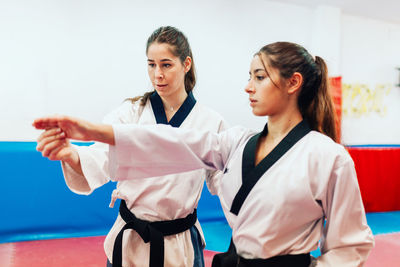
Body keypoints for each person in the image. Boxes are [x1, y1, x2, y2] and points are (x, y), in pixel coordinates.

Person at [34, 41, 374, 267]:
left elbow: (350, 245)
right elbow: (172, 143)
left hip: (188, 244)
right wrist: (91, 132)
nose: (248, 86)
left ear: (292, 83)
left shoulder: (329, 157)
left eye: (259, 76)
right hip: (175, 248)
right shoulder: (237, 142)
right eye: (151, 65)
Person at [34, 26, 227, 267]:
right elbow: (101, 158)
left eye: (166, 65)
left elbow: (225, 181)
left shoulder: (211, 122)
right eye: (151, 64)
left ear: (186, 64)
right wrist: (71, 155)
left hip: (180, 246)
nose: (157, 74)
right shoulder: (131, 113)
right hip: (131, 242)